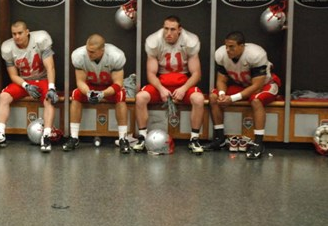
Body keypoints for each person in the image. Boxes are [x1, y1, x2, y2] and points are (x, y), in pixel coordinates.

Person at [133, 15, 205, 154]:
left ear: (180, 30)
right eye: (166, 29)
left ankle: (194, 139)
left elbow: (196, 73)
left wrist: (184, 89)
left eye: (172, 29)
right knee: (140, 97)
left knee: (198, 99)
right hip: (162, 82)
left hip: (183, 82)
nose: (168, 33)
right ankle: (142, 137)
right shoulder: (154, 41)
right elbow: (151, 74)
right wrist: (160, 89)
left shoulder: (190, 41)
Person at [203, 31, 280, 159]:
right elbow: (221, 80)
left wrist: (232, 99)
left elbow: (257, 86)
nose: (227, 50)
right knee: (214, 97)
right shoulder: (221, 54)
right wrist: (222, 94)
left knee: (256, 100)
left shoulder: (256, 54)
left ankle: (259, 143)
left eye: (231, 46)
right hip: (243, 86)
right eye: (226, 46)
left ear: (242, 46)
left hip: (266, 85)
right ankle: (220, 138)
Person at [0, 21, 59, 152]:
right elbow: (13, 75)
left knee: (49, 98)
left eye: (20, 33)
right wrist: (26, 85)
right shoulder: (8, 48)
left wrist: (52, 87)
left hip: (41, 79)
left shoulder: (41, 40)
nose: (17, 37)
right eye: (14, 34)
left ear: (27, 32)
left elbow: (50, 67)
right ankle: (1, 134)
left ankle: (46, 136)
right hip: (23, 81)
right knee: (3, 96)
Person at [63, 34, 130, 153]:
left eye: (93, 52)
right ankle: (74, 137)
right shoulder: (79, 55)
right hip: (90, 86)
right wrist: (89, 92)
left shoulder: (115, 56)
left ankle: (122, 138)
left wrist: (102, 94)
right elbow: (80, 81)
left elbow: (118, 83)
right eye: (88, 50)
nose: (89, 54)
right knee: (76, 94)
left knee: (120, 95)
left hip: (108, 87)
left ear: (102, 50)